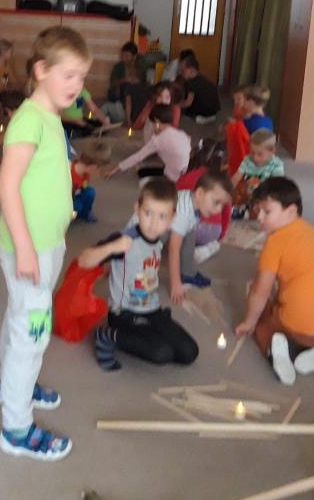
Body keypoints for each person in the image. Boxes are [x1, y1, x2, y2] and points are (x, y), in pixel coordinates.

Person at [0, 26, 91, 461]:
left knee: (21, 315)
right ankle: (16, 430)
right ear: (41, 70)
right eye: (68, 75)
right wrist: (25, 247)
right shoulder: (28, 120)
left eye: (81, 76)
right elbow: (7, 185)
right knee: (32, 333)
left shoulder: (50, 115)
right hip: (28, 248)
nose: (77, 85)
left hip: (45, 244)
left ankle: (11, 385)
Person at [235, 177, 314, 387]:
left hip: (302, 325)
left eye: (267, 211)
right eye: (257, 210)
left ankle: (275, 349)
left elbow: (260, 291)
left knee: (261, 315)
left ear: (291, 211)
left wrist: (249, 323)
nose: (259, 217)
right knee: (300, 302)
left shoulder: (275, 242)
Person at [79, 177, 198, 370]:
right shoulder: (126, 239)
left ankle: (144, 334)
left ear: (172, 219)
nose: (153, 223)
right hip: (123, 314)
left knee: (189, 352)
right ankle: (107, 335)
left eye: (162, 216)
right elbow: (84, 261)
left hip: (152, 311)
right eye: (148, 213)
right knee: (162, 353)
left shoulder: (158, 240)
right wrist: (112, 247)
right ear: (137, 209)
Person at [168, 171, 233, 301]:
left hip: (165, 224)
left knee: (190, 233)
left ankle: (187, 273)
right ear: (199, 193)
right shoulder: (184, 214)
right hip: (146, 236)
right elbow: (173, 249)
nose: (219, 210)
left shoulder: (192, 200)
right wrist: (175, 284)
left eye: (222, 205)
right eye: (216, 202)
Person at [176, 139, 232, 264]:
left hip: (186, 227)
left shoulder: (189, 175)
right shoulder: (222, 183)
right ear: (224, 164)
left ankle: (183, 246)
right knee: (214, 242)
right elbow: (227, 212)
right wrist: (221, 235)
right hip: (212, 232)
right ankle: (211, 247)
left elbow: (174, 195)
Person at [108, 104, 191, 182]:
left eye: (152, 123)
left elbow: (138, 157)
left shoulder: (159, 139)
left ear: (157, 122)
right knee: (148, 169)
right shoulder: (181, 133)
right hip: (186, 170)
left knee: (142, 172)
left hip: (174, 177)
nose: (152, 126)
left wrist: (116, 168)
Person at [232, 128, 285, 214]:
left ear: (272, 151)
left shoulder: (277, 165)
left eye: (259, 154)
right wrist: (228, 191)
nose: (255, 157)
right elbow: (236, 177)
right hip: (248, 196)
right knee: (232, 205)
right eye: (252, 152)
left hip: (267, 196)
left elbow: (277, 187)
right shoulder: (247, 160)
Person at [71, 139, 112, 222]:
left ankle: (84, 214)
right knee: (77, 206)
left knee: (90, 192)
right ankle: (70, 217)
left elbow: (84, 186)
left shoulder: (85, 173)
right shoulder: (69, 174)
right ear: (93, 167)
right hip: (66, 201)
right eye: (99, 169)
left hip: (77, 193)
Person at [104, 41, 144, 123]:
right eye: (123, 55)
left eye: (127, 55)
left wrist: (137, 81)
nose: (124, 57)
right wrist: (125, 80)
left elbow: (143, 83)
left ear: (134, 57)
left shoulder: (139, 68)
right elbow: (112, 83)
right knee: (123, 87)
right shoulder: (118, 67)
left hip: (133, 97)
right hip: (119, 95)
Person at [179, 55, 221, 124]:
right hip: (214, 110)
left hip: (204, 112)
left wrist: (176, 104)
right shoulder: (202, 78)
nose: (180, 73)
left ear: (191, 70)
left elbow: (188, 103)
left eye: (183, 71)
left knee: (183, 110)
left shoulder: (191, 83)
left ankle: (201, 117)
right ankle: (209, 116)